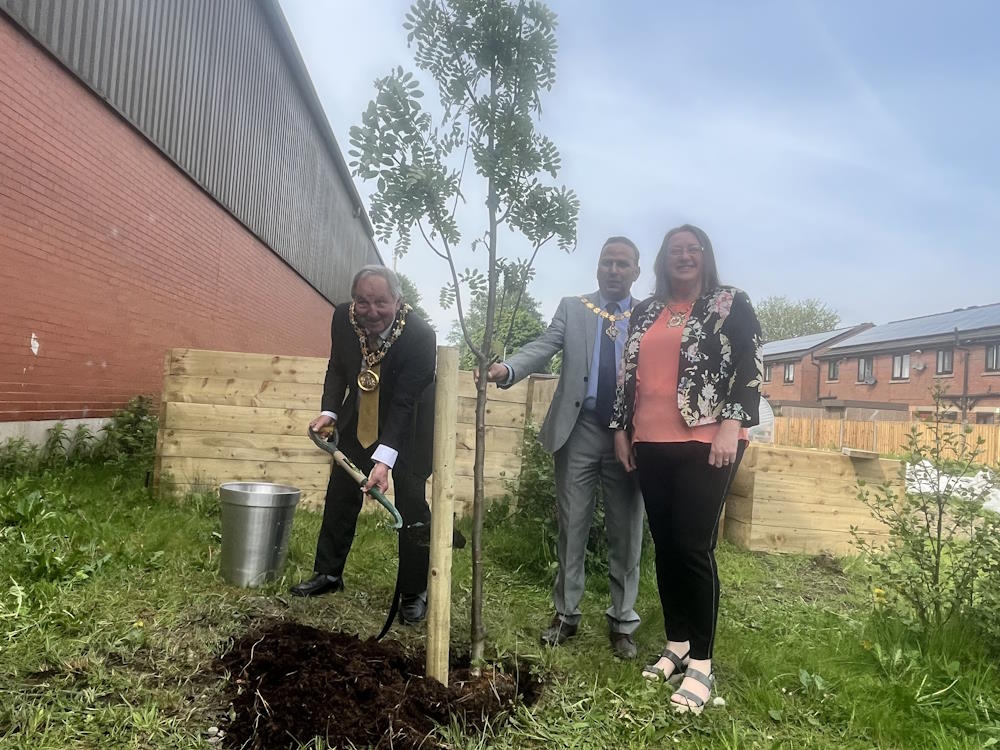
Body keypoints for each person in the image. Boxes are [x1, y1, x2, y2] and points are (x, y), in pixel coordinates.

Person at [612, 224, 762, 713]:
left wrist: (731, 425)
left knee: (694, 547)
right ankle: (676, 643)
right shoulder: (645, 311)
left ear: (705, 256)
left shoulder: (729, 302)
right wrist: (621, 429)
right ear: (663, 259)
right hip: (651, 441)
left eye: (692, 249)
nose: (684, 256)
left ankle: (702, 661)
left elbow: (750, 365)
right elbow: (627, 373)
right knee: (666, 546)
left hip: (708, 439)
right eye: (675, 250)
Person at [479, 237, 645, 659]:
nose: (613, 270)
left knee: (627, 530)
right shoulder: (574, 308)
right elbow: (544, 345)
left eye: (622, 263)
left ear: (636, 271)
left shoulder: (649, 314)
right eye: (607, 262)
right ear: (597, 267)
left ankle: (622, 621)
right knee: (572, 526)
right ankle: (566, 614)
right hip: (578, 431)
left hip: (629, 435)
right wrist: (508, 368)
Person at [291, 266, 435, 626]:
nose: (371, 311)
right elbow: (338, 367)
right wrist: (329, 411)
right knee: (341, 491)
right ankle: (328, 573)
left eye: (381, 302)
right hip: (360, 415)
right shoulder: (343, 317)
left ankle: (413, 591)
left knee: (412, 503)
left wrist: (384, 460)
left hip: (411, 424)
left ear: (398, 301)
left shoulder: (420, 335)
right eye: (363, 302)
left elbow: (404, 403)